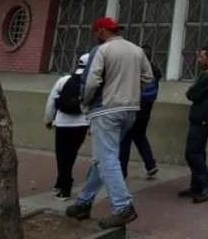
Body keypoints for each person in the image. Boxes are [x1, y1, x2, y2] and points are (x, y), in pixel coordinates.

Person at [65, 17, 153, 229]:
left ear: (102, 31)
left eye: (96, 32)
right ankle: (84, 202)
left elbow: (92, 81)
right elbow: (147, 77)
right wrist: (131, 93)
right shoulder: (136, 50)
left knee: (108, 159)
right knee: (103, 158)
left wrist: (85, 101)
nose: (95, 36)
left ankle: (123, 207)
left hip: (106, 109)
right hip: (129, 110)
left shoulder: (101, 50)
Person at [179, 45, 208, 204]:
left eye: (201, 56)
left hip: (202, 117)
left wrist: (191, 92)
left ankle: (207, 183)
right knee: (199, 151)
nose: (199, 59)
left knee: (191, 152)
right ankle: (197, 184)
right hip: (206, 117)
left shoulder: (207, 76)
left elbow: (191, 94)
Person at [44, 53, 90, 200]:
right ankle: (61, 181)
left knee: (61, 154)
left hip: (63, 123)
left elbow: (52, 101)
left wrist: (48, 119)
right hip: (82, 124)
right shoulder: (92, 83)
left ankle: (65, 187)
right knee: (71, 154)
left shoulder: (63, 80)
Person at [119, 44, 161, 179]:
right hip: (147, 109)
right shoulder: (155, 70)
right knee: (140, 135)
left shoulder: (137, 70)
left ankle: (122, 171)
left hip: (134, 107)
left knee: (125, 138)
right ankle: (150, 164)